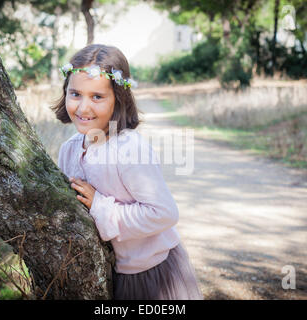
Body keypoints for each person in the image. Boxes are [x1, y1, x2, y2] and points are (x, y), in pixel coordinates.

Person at [51, 44, 203, 300]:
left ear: (118, 99)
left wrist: (101, 206)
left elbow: (164, 213)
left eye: (97, 97)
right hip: (110, 273)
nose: (83, 108)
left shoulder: (129, 148)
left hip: (151, 274)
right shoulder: (69, 150)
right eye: (75, 94)